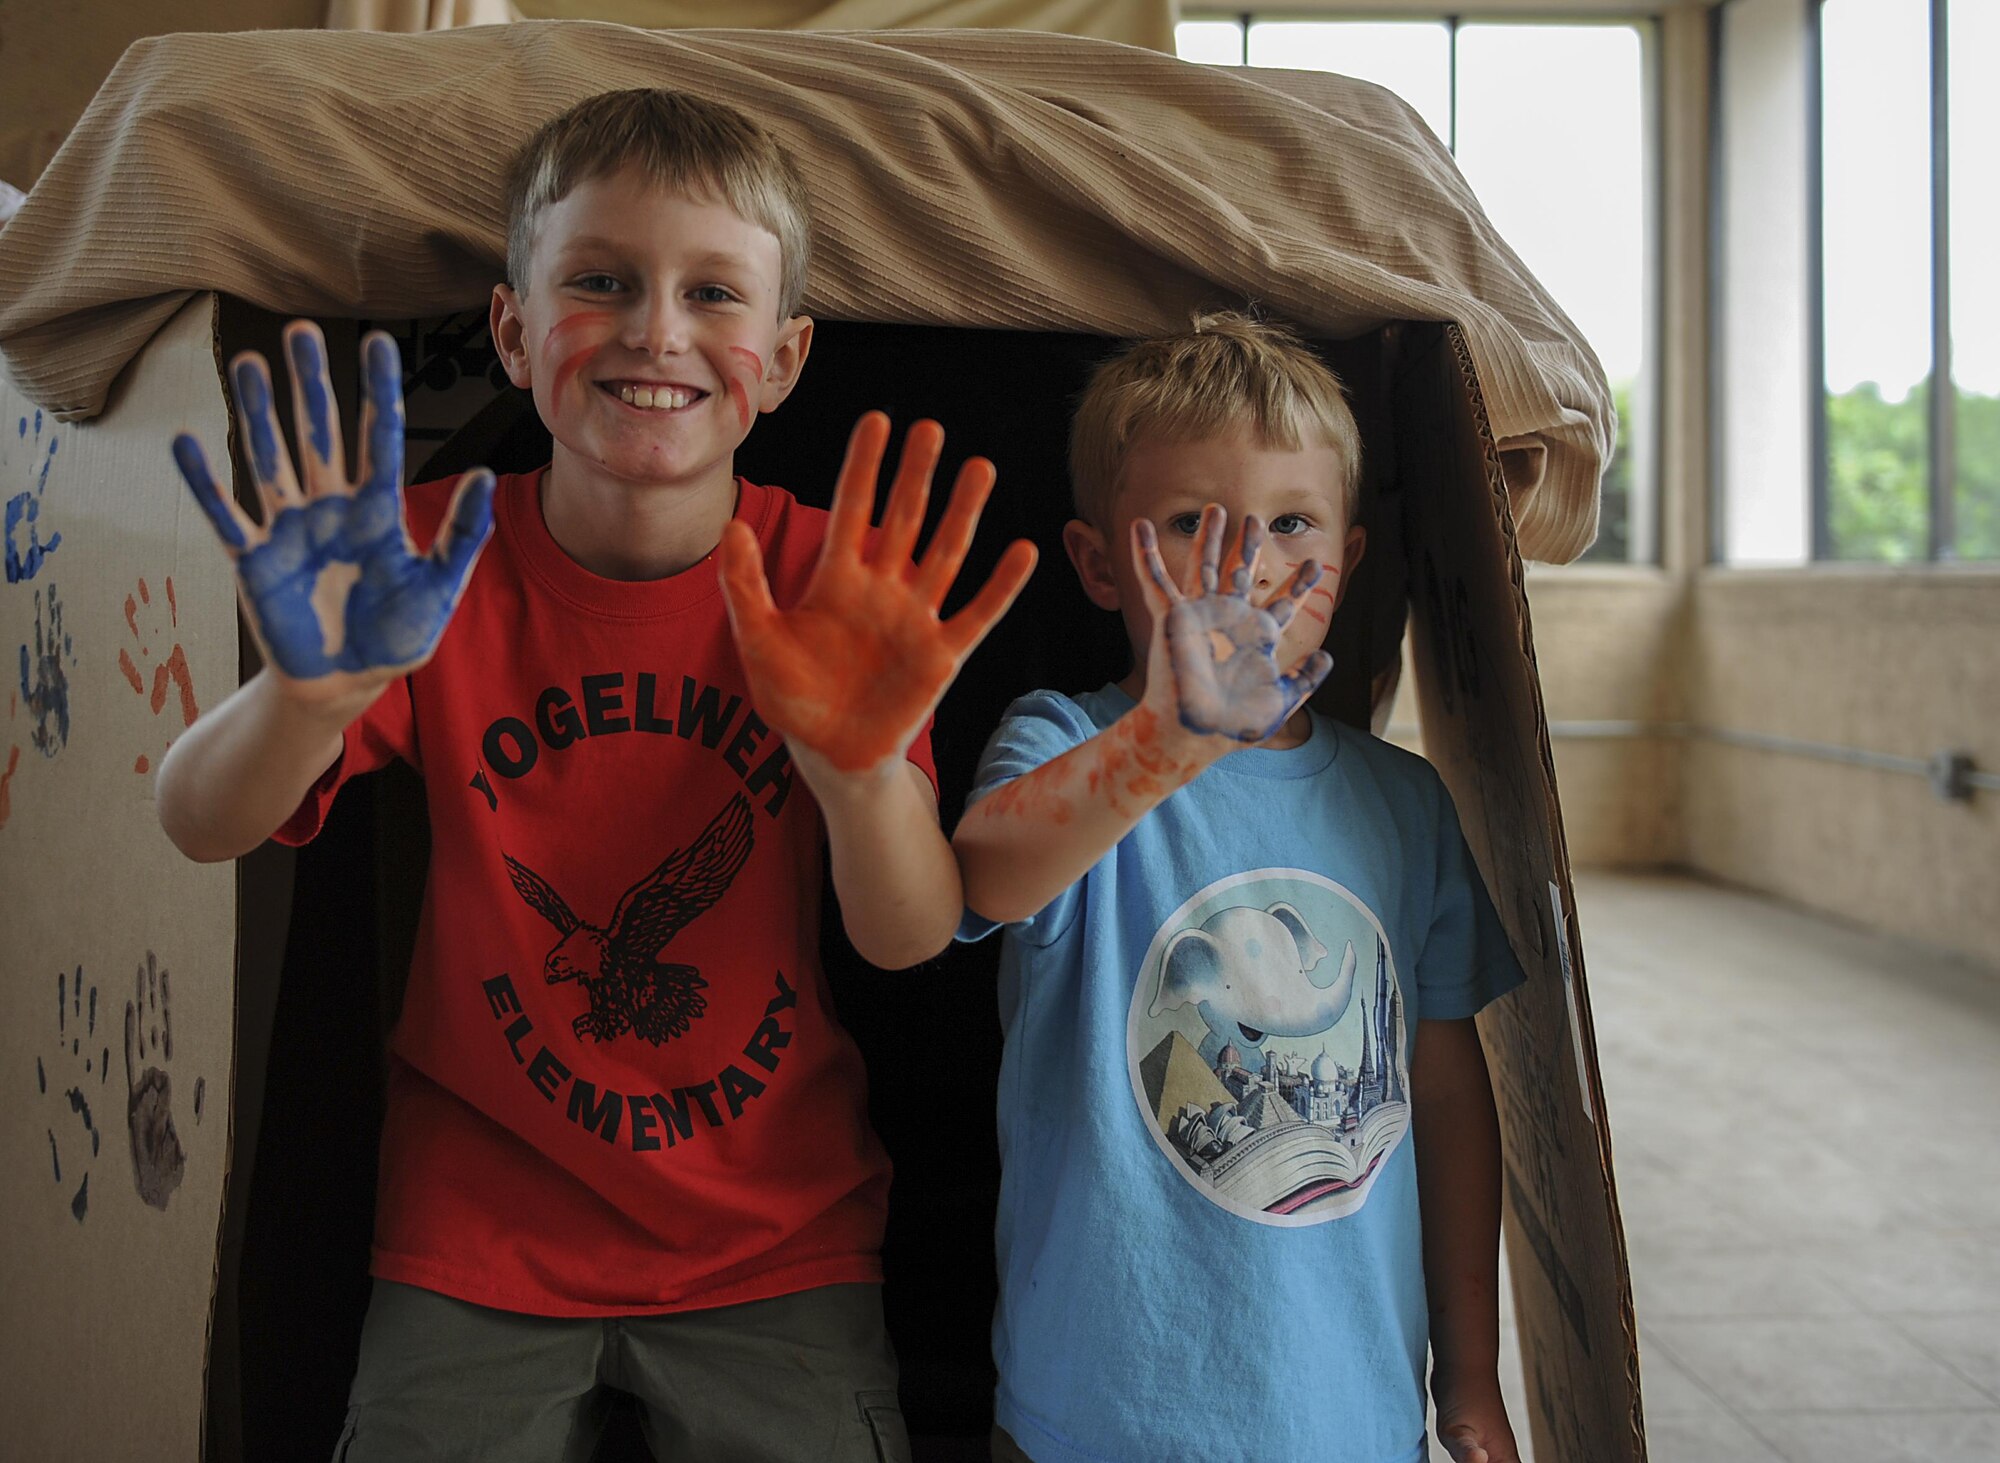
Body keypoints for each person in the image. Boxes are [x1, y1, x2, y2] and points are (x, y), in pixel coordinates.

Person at [156, 88, 1035, 1461]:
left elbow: (910, 929)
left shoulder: (822, 581)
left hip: (773, 1228)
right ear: (513, 329)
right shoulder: (424, 559)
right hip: (476, 1220)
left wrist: (862, 775)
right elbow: (198, 817)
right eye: (601, 281)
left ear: (787, 356)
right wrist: (303, 691)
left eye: (712, 294)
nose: (656, 330)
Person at [951, 311, 1524, 1463]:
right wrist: (1167, 737)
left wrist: (1468, 1374)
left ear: (1347, 561)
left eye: (1289, 524)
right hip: (1094, 1409)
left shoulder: (1401, 804)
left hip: (1344, 1409)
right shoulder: (1064, 741)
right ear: (1099, 561)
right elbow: (986, 874)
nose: (1245, 565)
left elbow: (1447, 1099)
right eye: (1188, 527)